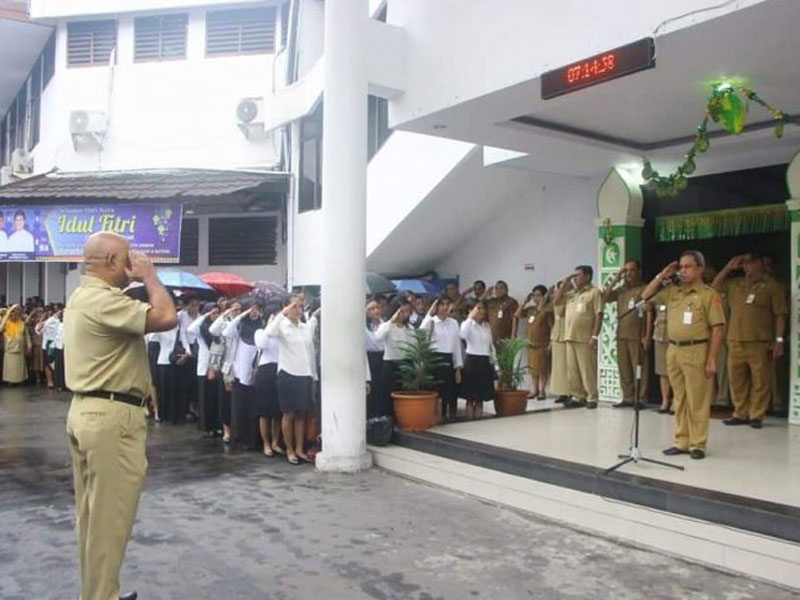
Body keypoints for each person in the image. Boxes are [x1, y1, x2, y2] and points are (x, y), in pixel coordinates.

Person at [64, 231, 177, 600]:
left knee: (94, 521)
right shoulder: (102, 300)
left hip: (87, 410)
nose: (132, 264)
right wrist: (150, 276)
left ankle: (99, 593)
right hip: (112, 417)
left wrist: (134, 282)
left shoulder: (85, 296)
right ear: (111, 261)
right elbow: (166, 316)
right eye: (127, 258)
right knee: (110, 522)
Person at [641, 250, 725, 460]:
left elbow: (717, 329)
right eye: (681, 267)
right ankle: (681, 441)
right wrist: (662, 275)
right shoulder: (673, 291)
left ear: (700, 269)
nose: (683, 271)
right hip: (674, 350)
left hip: (697, 350)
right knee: (679, 398)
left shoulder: (708, 294)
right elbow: (645, 296)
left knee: (697, 399)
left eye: (688, 267)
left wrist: (712, 358)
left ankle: (698, 444)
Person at [712, 253, 788, 429]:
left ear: (761, 264)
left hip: (760, 341)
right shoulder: (735, 283)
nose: (748, 267)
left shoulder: (771, 286)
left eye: (752, 263)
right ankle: (740, 412)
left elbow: (780, 315)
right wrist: (728, 267)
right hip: (735, 339)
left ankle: (756, 414)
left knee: (760, 380)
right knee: (736, 379)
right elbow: (714, 286)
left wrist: (778, 340)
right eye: (745, 264)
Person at [264, 295, 318, 464]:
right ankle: (289, 449)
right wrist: (283, 313)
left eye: (301, 306)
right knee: (289, 413)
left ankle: (300, 449)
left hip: (304, 374)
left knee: (302, 413)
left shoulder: (305, 327)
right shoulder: (281, 325)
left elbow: (309, 353)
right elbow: (269, 333)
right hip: (288, 373)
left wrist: (313, 374)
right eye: (295, 306)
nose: (299, 309)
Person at [556, 266, 603, 408]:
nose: (575, 278)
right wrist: (564, 284)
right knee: (573, 371)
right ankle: (578, 396)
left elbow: (599, 315)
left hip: (585, 338)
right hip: (570, 336)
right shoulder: (571, 294)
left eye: (578, 275)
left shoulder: (595, 293)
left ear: (588, 276)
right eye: (574, 275)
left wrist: (594, 336)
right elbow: (556, 302)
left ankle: (592, 397)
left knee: (587, 369)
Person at [603, 260, 648, 408]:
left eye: (632, 270)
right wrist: (617, 277)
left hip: (637, 335)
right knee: (624, 368)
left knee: (639, 367)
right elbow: (605, 296)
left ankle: (640, 398)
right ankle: (627, 397)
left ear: (639, 272)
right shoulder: (621, 290)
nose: (629, 274)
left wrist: (646, 335)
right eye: (626, 271)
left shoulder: (644, 289)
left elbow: (649, 312)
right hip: (621, 334)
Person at [222, 301, 264, 450]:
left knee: (254, 410)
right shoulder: (240, 327)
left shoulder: (262, 326)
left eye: (257, 309)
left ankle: (254, 440)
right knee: (241, 409)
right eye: (251, 310)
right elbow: (226, 331)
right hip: (240, 375)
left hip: (255, 374)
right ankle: (241, 439)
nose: (254, 313)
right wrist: (241, 315)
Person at [421, 295, 464, 422]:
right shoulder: (432, 321)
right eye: (442, 304)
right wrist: (429, 314)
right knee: (435, 392)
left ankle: (446, 417)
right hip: (434, 359)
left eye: (447, 304)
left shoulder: (454, 323)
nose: (445, 307)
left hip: (448, 358)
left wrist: (458, 367)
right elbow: (421, 332)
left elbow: (456, 345)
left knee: (449, 392)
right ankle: (434, 417)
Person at [375, 297, 416, 418]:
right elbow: (379, 336)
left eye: (407, 311)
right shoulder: (386, 326)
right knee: (388, 395)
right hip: (390, 364)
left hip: (406, 364)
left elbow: (412, 347)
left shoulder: (410, 328)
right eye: (401, 311)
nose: (404, 315)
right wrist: (391, 322)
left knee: (404, 393)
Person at [187, 303, 222, 437]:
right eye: (213, 313)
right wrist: (205, 315)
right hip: (204, 366)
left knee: (216, 398)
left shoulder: (217, 329)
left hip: (216, 365)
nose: (215, 315)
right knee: (205, 398)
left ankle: (217, 425)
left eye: (217, 312)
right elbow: (191, 329)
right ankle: (207, 426)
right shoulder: (201, 329)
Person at [513, 285, 554, 400]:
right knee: (533, 369)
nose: (536, 298)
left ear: (545, 296)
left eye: (539, 295)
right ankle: (534, 390)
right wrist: (525, 302)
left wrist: (551, 343)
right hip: (530, 343)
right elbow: (517, 315)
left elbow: (552, 327)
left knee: (542, 369)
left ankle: (542, 391)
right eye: (534, 295)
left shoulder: (548, 310)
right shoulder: (531, 309)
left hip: (542, 344)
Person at [254, 303, 284, 456]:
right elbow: (262, 344)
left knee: (278, 411)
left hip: (279, 370)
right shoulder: (260, 332)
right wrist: (270, 326)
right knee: (265, 412)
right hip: (265, 372)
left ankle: (275, 441)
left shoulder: (281, 333)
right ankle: (266, 443)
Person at [460, 301, 496, 419]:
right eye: (478, 308)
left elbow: (491, 346)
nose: (481, 311)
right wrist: (470, 318)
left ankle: (479, 421)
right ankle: (469, 420)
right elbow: (462, 335)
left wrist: (496, 365)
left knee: (480, 398)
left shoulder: (486, 326)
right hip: (472, 361)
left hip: (484, 362)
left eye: (483, 308)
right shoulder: (467, 324)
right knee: (470, 398)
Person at [646, 299, 672, 413]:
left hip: (674, 336)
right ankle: (665, 401)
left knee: (675, 371)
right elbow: (646, 299)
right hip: (660, 335)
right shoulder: (659, 294)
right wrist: (658, 280)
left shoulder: (679, 292)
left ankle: (676, 401)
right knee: (662, 371)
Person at [549, 281, 570, 403]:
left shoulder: (571, 299)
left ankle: (570, 392)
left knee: (567, 367)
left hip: (567, 335)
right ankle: (561, 392)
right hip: (557, 336)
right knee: (558, 368)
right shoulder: (557, 300)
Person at [365, 298, 386, 419]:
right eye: (372, 309)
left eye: (377, 308)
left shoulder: (384, 324)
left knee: (381, 388)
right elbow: (373, 341)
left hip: (382, 356)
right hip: (370, 357)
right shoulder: (364, 326)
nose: (376, 311)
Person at [0, 305, 29, 384]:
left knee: (18, 367)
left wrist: (29, 345)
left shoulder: (22, 323)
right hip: (9, 349)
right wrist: (6, 316)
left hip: (19, 349)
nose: (14, 316)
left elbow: (26, 336)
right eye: (11, 314)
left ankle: (19, 380)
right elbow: (0, 329)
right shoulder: (6, 323)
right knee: (10, 366)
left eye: (16, 314)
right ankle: (10, 381)